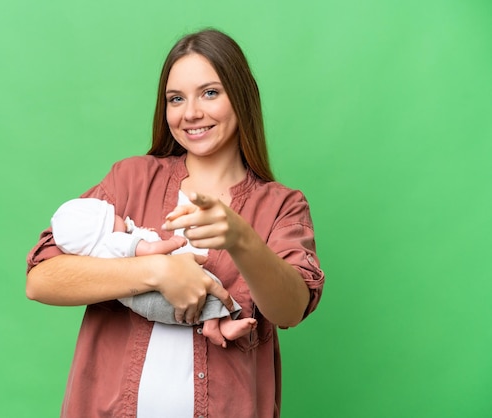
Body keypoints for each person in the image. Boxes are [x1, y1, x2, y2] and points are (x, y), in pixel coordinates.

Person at [26, 28, 325, 418]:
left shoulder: (281, 205)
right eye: (176, 99)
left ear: (241, 95)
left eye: (210, 92)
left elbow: (290, 310)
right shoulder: (131, 179)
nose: (191, 113)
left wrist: (241, 239)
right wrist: (155, 269)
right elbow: (41, 280)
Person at [49, 197, 257, 347]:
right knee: (206, 283)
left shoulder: (94, 255)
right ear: (105, 226)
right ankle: (219, 325)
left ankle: (218, 324)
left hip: (143, 305)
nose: (120, 216)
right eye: (114, 215)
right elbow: (150, 250)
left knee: (200, 294)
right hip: (153, 296)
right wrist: (174, 242)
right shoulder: (114, 240)